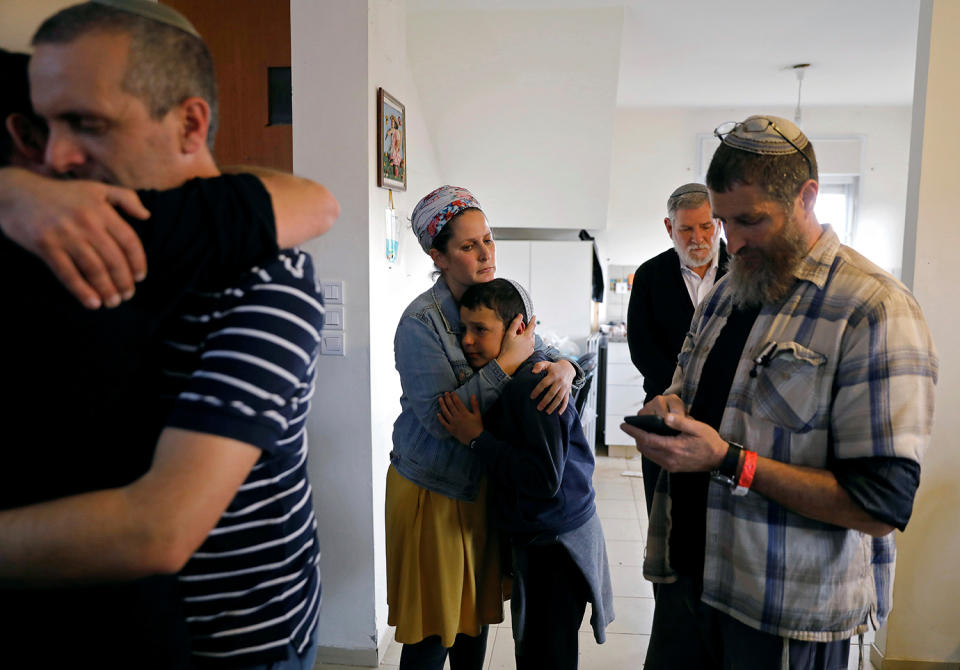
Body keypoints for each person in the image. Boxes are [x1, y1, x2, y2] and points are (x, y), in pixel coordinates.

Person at [0, 2, 338, 668]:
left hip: (239, 640)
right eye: (44, 126)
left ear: (189, 123)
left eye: (86, 125)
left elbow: (160, 528)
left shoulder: (268, 279)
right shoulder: (74, 233)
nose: (55, 156)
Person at [621, 114, 937, 669]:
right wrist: (669, 408)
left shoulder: (872, 309)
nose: (731, 241)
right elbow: (681, 389)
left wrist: (729, 461)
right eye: (722, 221)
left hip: (784, 614)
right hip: (688, 584)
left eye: (750, 220)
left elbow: (880, 505)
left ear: (807, 197)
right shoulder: (727, 294)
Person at [387, 185, 583, 670]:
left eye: (489, 240)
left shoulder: (500, 297)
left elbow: (543, 344)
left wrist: (564, 366)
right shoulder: (420, 324)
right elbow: (442, 421)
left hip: (483, 487)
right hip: (432, 490)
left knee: (474, 621)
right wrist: (508, 362)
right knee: (435, 633)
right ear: (439, 255)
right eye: (468, 246)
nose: (485, 254)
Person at [437, 278, 614, 670]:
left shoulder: (534, 384)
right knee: (536, 647)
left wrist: (476, 438)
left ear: (518, 329)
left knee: (546, 654)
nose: (468, 340)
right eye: (463, 329)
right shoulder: (509, 379)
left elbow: (543, 480)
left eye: (480, 330)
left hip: (557, 546)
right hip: (543, 539)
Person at [626, 182, 728, 515]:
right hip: (666, 413)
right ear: (670, 228)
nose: (697, 237)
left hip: (728, 417)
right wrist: (681, 394)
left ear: (719, 224)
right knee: (665, 513)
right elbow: (642, 350)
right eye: (686, 229)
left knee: (717, 516)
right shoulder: (649, 276)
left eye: (706, 226)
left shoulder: (744, 270)